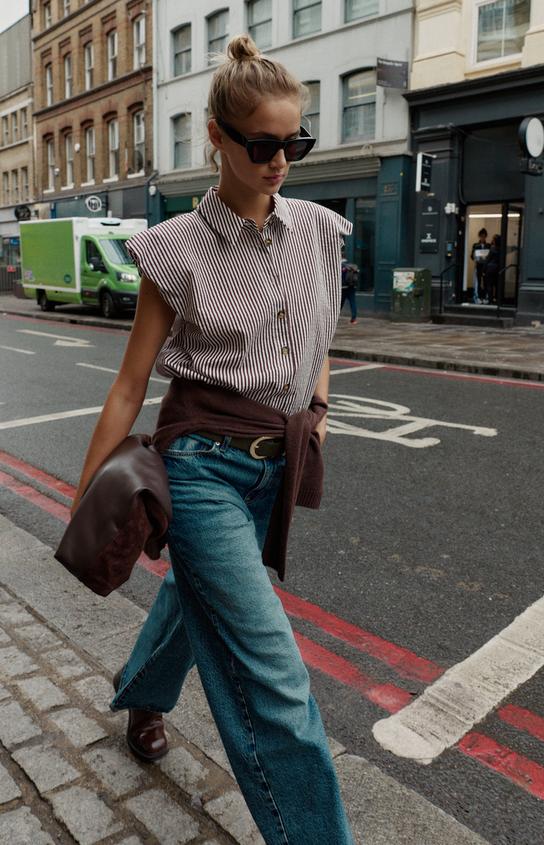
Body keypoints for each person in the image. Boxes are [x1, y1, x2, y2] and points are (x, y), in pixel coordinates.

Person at [71, 34, 355, 845]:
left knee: (193, 593)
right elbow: (130, 385)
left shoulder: (320, 233)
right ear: (218, 140)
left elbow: (321, 335)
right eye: (261, 145)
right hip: (200, 467)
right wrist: (88, 498)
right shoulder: (175, 252)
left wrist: (320, 407)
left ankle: (143, 694)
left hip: (281, 457)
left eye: (293, 143)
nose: (279, 162)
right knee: (275, 678)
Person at [470, 227, 490, 304]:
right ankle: (477, 297)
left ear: (485, 236)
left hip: (485, 266)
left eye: (484, 236)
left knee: (485, 281)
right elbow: (472, 256)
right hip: (478, 265)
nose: (482, 237)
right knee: (478, 281)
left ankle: (485, 297)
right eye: (481, 236)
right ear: (479, 236)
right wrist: (475, 257)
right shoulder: (475, 245)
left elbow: (490, 256)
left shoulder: (488, 245)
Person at [341, 253, 359, 324]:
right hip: (352, 287)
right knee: (353, 303)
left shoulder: (340, 266)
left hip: (342, 288)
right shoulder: (351, 265)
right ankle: (353, 319)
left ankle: (334, 318)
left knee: (339, 304)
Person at [483, 233, 501, 304]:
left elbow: (487, 259)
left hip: (490, 269)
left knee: (489, 285)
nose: (492, 240)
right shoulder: (501, 248)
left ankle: (490, 300)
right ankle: (497, 299)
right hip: (498, 269)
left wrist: (484, 270)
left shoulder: (492, 248)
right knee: (497, 285)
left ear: (495, 240)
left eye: (493, 239)